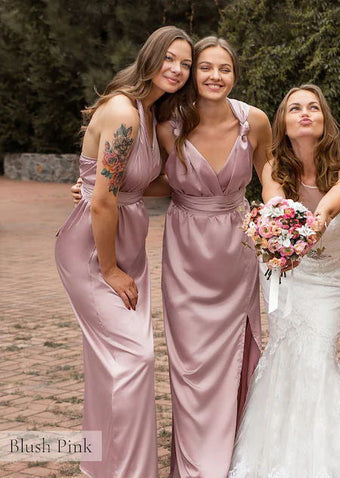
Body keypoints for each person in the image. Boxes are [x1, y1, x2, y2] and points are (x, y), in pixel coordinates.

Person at [55, 26, 193, 478]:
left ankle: (102, 466)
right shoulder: (124, 111)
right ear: (150, 56)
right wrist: (110, 268)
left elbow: (137, 184)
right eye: (169, 58)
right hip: (95, 252)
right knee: (134, 360)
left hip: (127, 245)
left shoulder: (150, 113)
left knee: (111, 363)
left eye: (185, 63)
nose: (177, 69)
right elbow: (102, 200)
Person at [228, 85, 340, 477]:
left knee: (318, 356)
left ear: (325, 119)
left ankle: (328, 461)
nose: (305, 113)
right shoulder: (273, 168)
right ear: (284, 123)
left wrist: (316, 223)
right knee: (285, 354)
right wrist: (278, 232)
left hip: (331, 280)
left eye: (313, 107)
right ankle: (277, 457)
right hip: (288, 275)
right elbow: (276, 203)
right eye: (295, 108)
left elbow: (336, 200)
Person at [156, 36, 272, 477]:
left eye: (224, 69)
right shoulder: (167, 125)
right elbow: (153, 180)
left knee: (236, 355)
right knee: (191, 363)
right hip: (186, 254)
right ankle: (195, 465)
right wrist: (96, 189)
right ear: (192, 73)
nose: (215, 77)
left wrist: (279, 217)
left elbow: (270, 173)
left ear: (235, 75)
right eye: (205, 67)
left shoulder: (254, 121)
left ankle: (234, 459)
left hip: (236, 249)